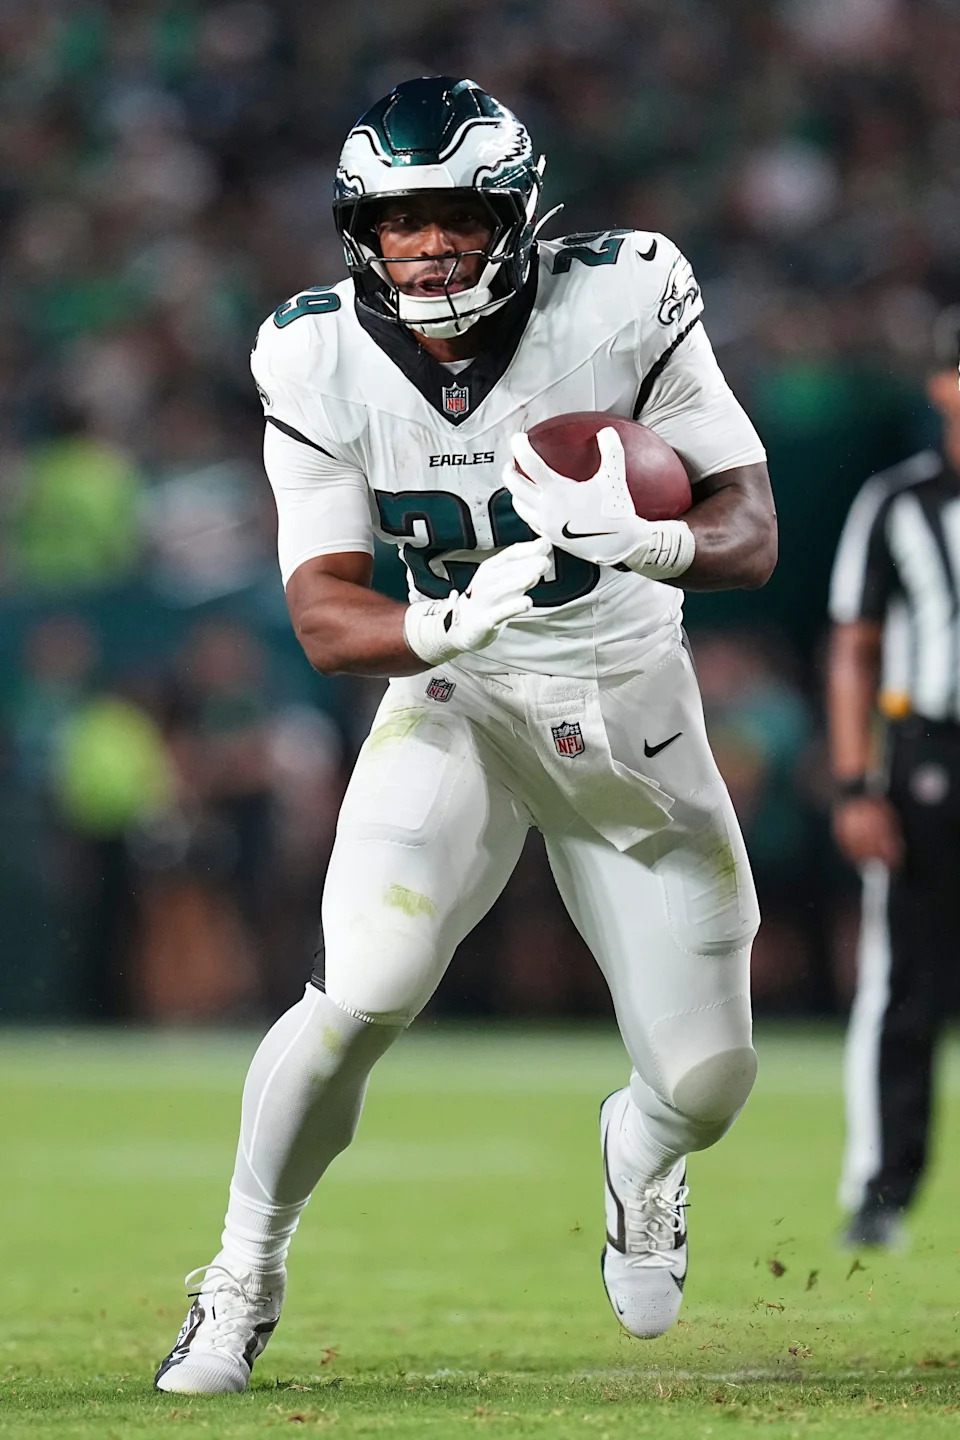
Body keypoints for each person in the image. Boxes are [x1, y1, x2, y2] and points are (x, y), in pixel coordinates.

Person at [155, 76, 776, 1393]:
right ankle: (240, 1271)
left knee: (712, 1078)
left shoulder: (624, 295)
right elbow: (326, 615)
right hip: (462, 702)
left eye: (456, 216)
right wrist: (434, 629)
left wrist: (660, 539)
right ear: (357, 235)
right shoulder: (311, 351)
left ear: (519, 218)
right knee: (363, 987)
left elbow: (750, 527)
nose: (427, 245)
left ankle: (643, 1152)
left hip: (632, 710)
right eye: (398, 221)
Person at [827, 309, 960, 1249]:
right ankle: (883, 1188)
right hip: (933, 758)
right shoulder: (901, 502)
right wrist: (853, 783)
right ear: (942, 386)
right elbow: (855, 647)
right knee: (906, 980)